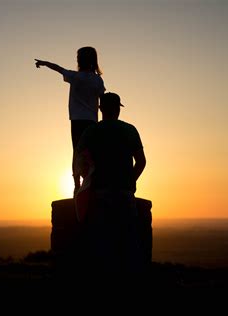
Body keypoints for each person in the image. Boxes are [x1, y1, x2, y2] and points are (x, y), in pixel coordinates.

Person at [75, 92, 146, 275]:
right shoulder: (130, 130)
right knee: (128, 241)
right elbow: (141, 161)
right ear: (118, 110)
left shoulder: (91, 131)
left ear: (101, 109)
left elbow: (78, 162)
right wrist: (131, 180)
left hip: (98, 194)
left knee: (101, 242)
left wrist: (79, 185)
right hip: (124, 193)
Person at [35, 47, 106, 194]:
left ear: (80, 61)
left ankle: (77, 185)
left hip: (77, 121)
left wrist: (44, 62)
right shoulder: (97, 80)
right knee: (92, 152)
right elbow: (102, 99)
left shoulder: (75, 77)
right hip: (92, 121)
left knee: (77, 151)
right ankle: (91, 183)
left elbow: (58, 69)